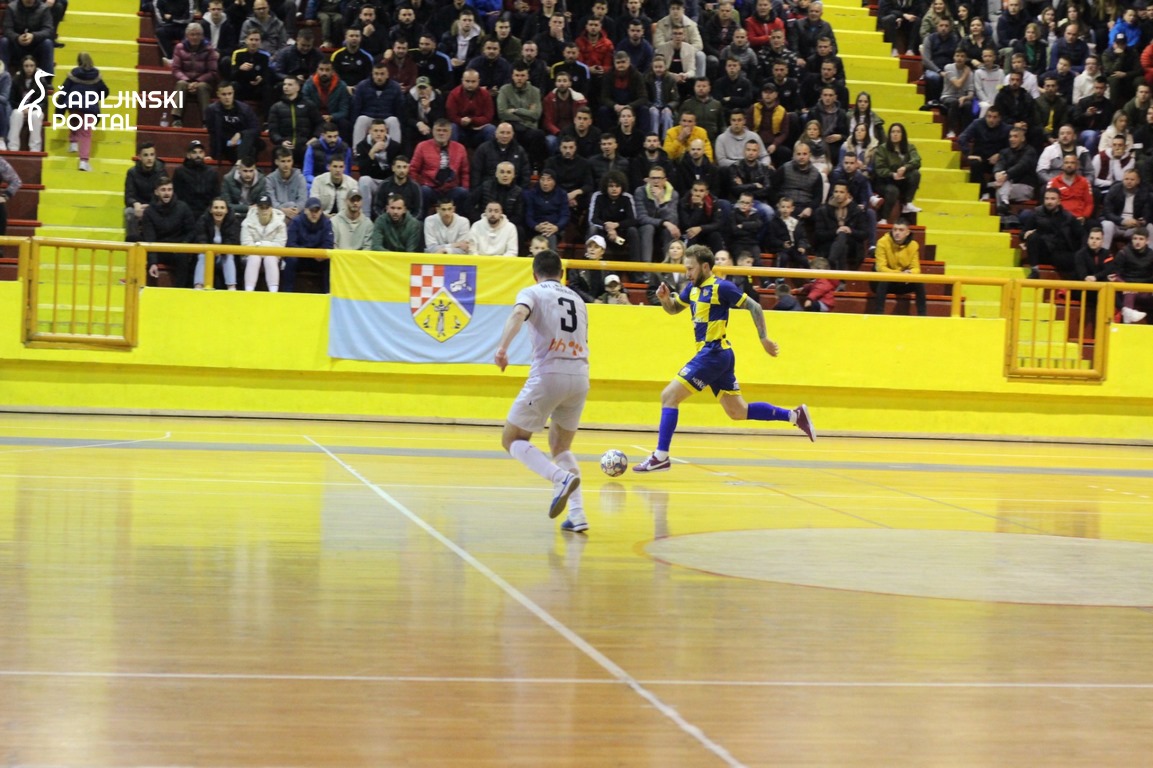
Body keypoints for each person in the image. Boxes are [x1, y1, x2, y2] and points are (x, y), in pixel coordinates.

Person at [632, 244, 815, 474]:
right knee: (737, 411)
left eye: (691, 269)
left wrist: (763, 338)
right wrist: (664, 299)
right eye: (686, 269)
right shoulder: (692, 289)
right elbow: (674, 309)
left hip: (713, 353)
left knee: (668, 397)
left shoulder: (722, 287)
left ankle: (661, 456)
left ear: (705, 267)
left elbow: (754, 306)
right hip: (719, 356)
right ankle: (794, 415)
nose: (687, 273)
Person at [494, 249, 590, 532]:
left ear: (534, 274)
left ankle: (560, 478)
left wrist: (502, 348)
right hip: (580, 376)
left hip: (549, 374)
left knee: (512, 439)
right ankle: (578, 514)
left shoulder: (533, 292)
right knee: (561, 447)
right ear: (562, 273)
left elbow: (518, 313)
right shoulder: (578, 299)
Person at [143, 176, 197, 289]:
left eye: (169, 189)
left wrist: (184, 244)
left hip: (178, 249)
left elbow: (192, 231)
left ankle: (180, 291)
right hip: (159, 250)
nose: (167, 193)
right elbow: (150, 239)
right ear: (156, 192)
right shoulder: (149, 212)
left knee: (184, 256)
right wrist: (153, 262)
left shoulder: (183, 207)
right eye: (163, 190)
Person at [59, 52, 107, 172]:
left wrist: (59, 110)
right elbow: (105, 91)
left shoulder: (73, 74)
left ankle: (73, 142)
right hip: (90, 107)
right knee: (86, 133)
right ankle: (84, 161)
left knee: (74, 121)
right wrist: (96, 96)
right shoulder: (96, 75)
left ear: (78, 62)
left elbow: (64, 91)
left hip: (74, 103)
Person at [870, 217, 926, 315]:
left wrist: (910, 273)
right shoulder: (882, 242)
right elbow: (881, 268)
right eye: (895, 229)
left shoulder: (913, 245)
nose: (897, 233)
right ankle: (879, 314)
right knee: (884, 278)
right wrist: (899, 274)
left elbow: (916, 268)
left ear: (907, 232)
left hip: (901, 280)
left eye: (901, 230)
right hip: (882, 282)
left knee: (919, 282)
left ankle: (923, 315)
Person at [873, 123, 922, 223]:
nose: (895, 134)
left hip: (902, 179)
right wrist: (892, 174)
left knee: (915, 174)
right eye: (893, 132)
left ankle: (908, 203)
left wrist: (905, 167)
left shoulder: (910, 147)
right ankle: (884, 219)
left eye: (898, 132)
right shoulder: (882, 149)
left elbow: (917, 160)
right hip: (886, 181)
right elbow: (880, 168)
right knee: (893, 191)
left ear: (902, 134)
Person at [192, 197, 242, 290]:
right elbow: (201, 239)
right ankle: (198, 286)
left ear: (226, 210)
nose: (219, 210)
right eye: (216, 207)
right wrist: (212, 251)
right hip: (208, 254)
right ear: (211, 210)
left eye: (222, 208)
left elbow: (232, 240)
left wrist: (220, 251)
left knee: (228, 255)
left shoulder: (233, 221)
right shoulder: (203, 220)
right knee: (202, 255)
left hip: (223, 254)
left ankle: (231, 287)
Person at [240, 194, 287, 291]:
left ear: (271, 208)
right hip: (251, 255)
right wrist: (266, 247)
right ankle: (248, 291)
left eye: (267, 207)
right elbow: (246, 245)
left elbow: (280, 246)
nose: (264, 210)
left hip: (273, 255)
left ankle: (273, 292)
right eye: (261, 207)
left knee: (270, 258)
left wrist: (258, 245)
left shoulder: (280, 224)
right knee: (254, 257)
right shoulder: (247, 222)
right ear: (257, 208)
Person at [124, 143, 167, 242]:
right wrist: (136, 204)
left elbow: (164, 193)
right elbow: (128, 196)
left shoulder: (161, 171)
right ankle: (133, 245)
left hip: (156, 205)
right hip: (138, 206)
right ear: (139, 157)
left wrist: (151, 206)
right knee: (129, 212)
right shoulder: (132, 172)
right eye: (146, 155)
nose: (149, 158)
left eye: (152, 155)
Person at [172, 139, 221, 220]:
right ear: (188, 155)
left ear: (204, 154)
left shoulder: (212, 172)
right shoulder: (180, 172)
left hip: (207, 215)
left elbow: (216, 196)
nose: (198, 155)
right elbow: (177, 197)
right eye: (194, 152)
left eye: (200, 152)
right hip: (185, 215)